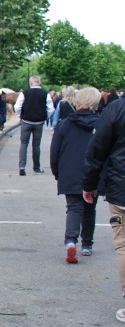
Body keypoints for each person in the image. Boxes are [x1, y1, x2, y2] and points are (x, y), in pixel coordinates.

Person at [82, 94, 125, 323]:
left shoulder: (116, 110)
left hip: (121, 188)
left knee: (124, 244)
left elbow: (97, 150)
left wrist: (89, 184)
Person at [50, 87, 101, 263]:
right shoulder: (101, 125)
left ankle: (71, 241)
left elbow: (54, 151)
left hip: (69, 172)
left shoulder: (64, 124)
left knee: (73, 207)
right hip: (93, 174)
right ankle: (87, 244)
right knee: (89, 209)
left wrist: (57, 173)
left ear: (77, 102)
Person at [14, 75, 54, 176]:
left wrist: (20, 116)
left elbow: (17, 106)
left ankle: (22, 167)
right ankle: (36, 168)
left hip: (26, 121)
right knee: (36, 145)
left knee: (24, 144)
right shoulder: (45, 94)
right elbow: (51, 109)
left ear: (31, 83)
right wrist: (45, 117)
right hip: (39, 123)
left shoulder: (24, 93)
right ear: (39, 82)